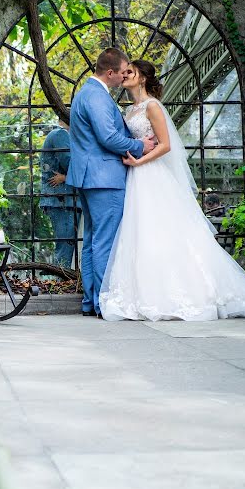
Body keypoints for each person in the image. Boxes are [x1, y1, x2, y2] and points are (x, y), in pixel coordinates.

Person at [98, 59, 245, 321]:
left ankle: (188, 292)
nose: (125, 75)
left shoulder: (152, 106)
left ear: (142, 78)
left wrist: (139, 161)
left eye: (130, 72)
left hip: (152, 174)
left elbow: (165, 145)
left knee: (164, 231)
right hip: (137, 177)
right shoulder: (131, 110)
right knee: (141, 232)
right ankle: (144, 292)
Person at [68, 48, 156, 317]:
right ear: (110, 73)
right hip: (104, 179)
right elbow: (108, 138)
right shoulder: (96, 97)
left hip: (90, 177)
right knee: (105, 242)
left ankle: (92, 302)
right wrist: (140, 145)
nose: (124, 76)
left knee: (94, 241)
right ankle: (104, 302)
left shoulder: (87, 93)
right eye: (122, 71)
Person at [39, 113, 80, 268]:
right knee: (65, 246)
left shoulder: (61, 135)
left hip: (63, 198)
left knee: (66, 245)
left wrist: (65, 177)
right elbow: (71, 163)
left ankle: (62, 282)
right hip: (63, 199)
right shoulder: (60, 134)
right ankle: (61, 285)